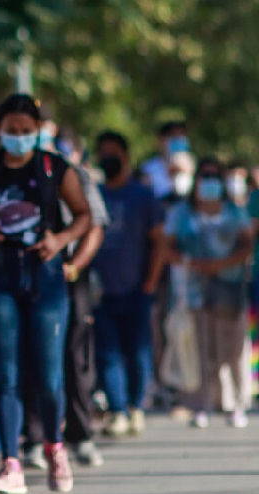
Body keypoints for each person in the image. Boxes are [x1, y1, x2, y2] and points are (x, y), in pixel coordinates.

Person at [0, 94, 91, 494]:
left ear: (38, 131)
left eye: (26, 132)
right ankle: (11, 462)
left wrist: (61, 240)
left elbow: (85, 214)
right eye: (11, 131)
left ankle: (54, 446)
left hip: (46, 276)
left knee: (49, 375)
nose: (18, 138)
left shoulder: (54, 167)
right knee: (6, 375)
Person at [19, 110, 110, 469]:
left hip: (69, 278)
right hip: (26, 277)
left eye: (39, 127)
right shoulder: (11, 174)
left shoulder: (72, 172)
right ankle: (33, 438)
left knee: (74, 355)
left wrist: (74, 266)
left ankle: (80, 435)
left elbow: (95, 225)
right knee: (31, 356)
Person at [162, 158, 253, 429]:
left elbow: (247, 247)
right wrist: (194, 264)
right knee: (201, 350)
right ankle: (202, 405)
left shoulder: (236, 213)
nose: (210, 182)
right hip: (193, 292)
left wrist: (220, 265)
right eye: (205, 176)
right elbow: (167, 247)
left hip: (231, 289)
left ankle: (237, 404)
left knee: (233, 350)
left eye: (215, 176)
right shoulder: (181, 213)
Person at [89, 131, 165, 438]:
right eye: (102, 152)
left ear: (126, 156)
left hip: (137, 289)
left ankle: (136, 407)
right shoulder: (94, 193)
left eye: (113, 152)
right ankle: (117, 410)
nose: (108, 157)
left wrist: (150, 282)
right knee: (107, 353)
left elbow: (159, 242)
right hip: (101, 292)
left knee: (138, 352)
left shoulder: (143, 196)